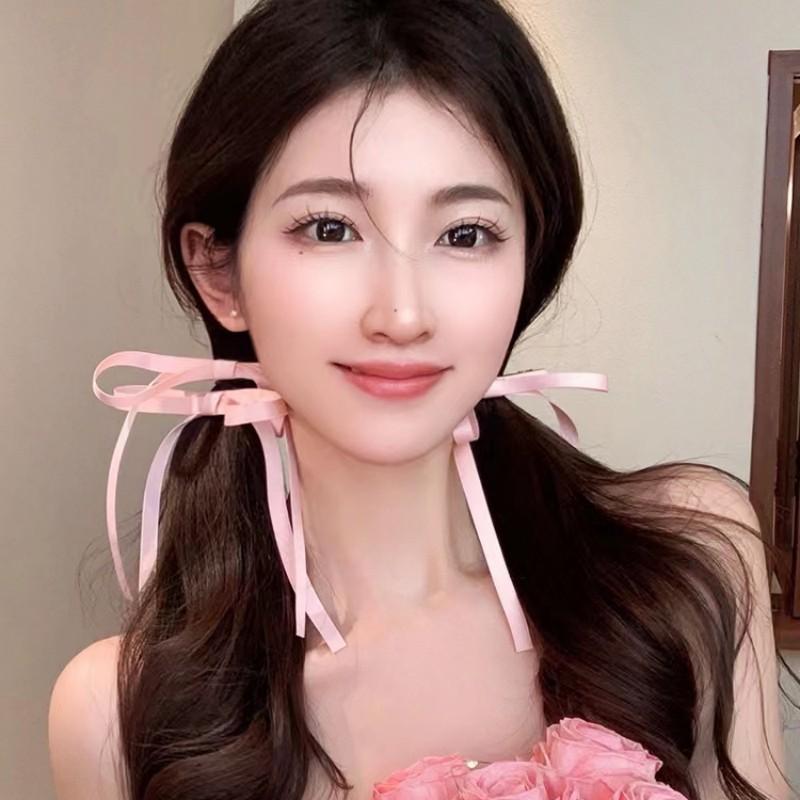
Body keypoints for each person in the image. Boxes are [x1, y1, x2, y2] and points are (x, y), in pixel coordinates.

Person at [48, 1, 795, 799]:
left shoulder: (691, 564)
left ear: (529, 261)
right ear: (218, 273)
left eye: (465, 233)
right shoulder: (116, 717)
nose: (402, 315)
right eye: (329, 228)